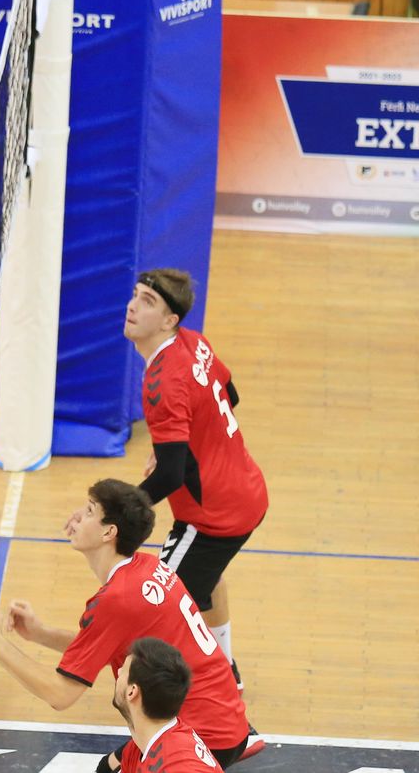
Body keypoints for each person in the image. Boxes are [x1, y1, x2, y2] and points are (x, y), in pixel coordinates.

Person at [0, 479, 261, 772]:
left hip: (198, 735)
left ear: (109, 532)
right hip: (225, 718)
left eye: (89, 511)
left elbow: (60, 694)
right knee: (107, 768)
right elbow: (102, 646)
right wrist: (40, 634)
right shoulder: (147, 566)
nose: (77, 517)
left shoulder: (117, 599)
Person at [123, 268, 269, 689]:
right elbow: (229, 394)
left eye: (148, 302)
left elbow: (169, 476)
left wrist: (119, 512)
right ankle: (226, 670)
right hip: (247, 490)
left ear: (169, 320)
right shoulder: (193, 343)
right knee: (206, 578)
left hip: (213, 517)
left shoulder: (162, 381)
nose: (133, 306)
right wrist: (178, 443)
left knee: (159, 603)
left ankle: (214, 690)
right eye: (135, 295)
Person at [114, 637, 222, 772]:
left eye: (123, 670)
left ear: (132, 692)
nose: (118, 672)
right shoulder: (138, 749)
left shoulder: (179, 766)